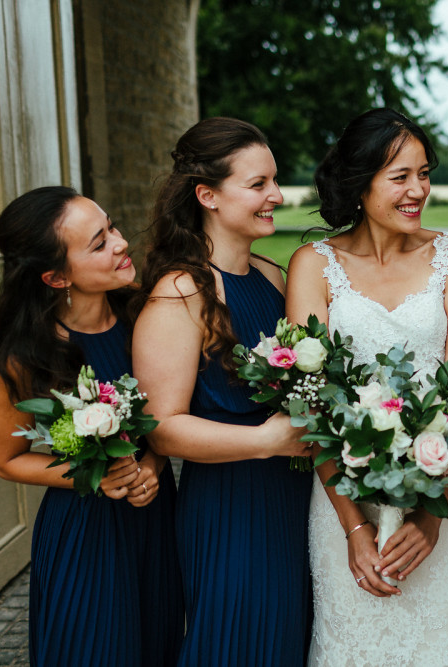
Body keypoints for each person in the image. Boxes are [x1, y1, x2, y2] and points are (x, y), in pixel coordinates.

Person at [286, 108, 448, 666]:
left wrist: (430, 515)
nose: (417, 190)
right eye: (400, 176)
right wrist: (353, 526)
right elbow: (313, 405)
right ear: (360, 182)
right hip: (342, 502)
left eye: (424, 173)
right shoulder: (313, 264)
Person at [132, 118, 311, 666]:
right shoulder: (181, 292)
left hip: (294, 498)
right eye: (258, 185)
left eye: (274, 181)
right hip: (230, 509)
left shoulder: (273, 277)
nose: (276, 196)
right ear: (206, 195)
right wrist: (266, 441)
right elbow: (161, 428)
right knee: (235, 640)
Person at [0, 186, 183, 666]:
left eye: (110, 226)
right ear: (54, 276)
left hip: (152, 519)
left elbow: (164, 419)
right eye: (98, 243)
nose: (120, 242)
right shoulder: (28, 355)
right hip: (84, 531)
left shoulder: (146, 318)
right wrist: (97, 475)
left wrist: (153, 463)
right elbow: (7, 461)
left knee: (157, 646)